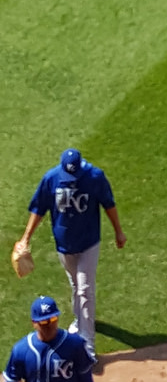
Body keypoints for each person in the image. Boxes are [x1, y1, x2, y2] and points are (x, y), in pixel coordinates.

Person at [15, 149, 125, 356]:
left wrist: (118, 231)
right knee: (76, 285)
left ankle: (87, 346)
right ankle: (80, 320)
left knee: (85, 289)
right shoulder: (52, 178)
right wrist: (25, 238)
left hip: (89, 244)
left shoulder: (94, 177)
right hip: (64, 245)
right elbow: (38, 208)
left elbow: (108, 204)